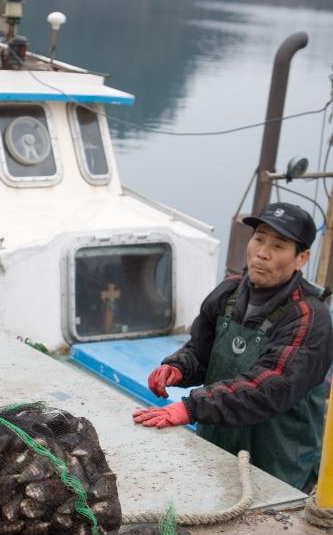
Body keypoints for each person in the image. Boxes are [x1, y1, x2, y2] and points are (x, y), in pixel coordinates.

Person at [133, 203, 332, 490]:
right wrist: (178, 367)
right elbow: (201, 352)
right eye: (259, 239)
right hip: (215, 450)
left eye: (278, 245)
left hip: (276, 467)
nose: (262, 252)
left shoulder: (309, 318)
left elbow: (270, 387)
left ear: (301, 258)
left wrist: (190, 407)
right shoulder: (228, 292)